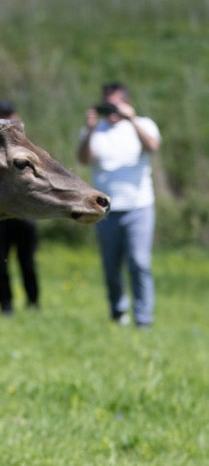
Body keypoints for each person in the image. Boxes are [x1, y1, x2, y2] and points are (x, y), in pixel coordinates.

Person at [77, 82, 160, 328]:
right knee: (111, 265)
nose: (111, 110)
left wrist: (131, 120)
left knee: (140, 263)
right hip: (105, 210)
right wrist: (90, 130)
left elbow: (153, 146)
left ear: (127, 103)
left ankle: (143, 318)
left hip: (139, 206)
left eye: (116, 104)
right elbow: (84, 159)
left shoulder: (143, 124)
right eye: (107, 104)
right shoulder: (97, 130)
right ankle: (118, 312)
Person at [0, 101, 39, 315]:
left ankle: (33, 302)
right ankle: (5, 305)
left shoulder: (25, 142)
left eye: (9, 115)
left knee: (27, 261)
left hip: (24, 211)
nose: (6, 120)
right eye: (1, 116)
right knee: (0, 263)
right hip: (0, 214)